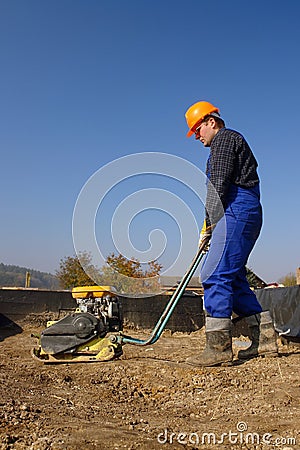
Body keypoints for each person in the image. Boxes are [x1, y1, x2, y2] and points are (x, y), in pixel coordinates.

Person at [184, 101, 278, 367]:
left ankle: (218, 349)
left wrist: (209, 224)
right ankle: (266, 339)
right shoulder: (227, 141)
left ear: (211, 121)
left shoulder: (224, 140)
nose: (197, 136)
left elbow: (218, 184)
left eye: (197, 129)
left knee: (213, 273)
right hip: (242, 211)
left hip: (237, 209)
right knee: (233, 278)